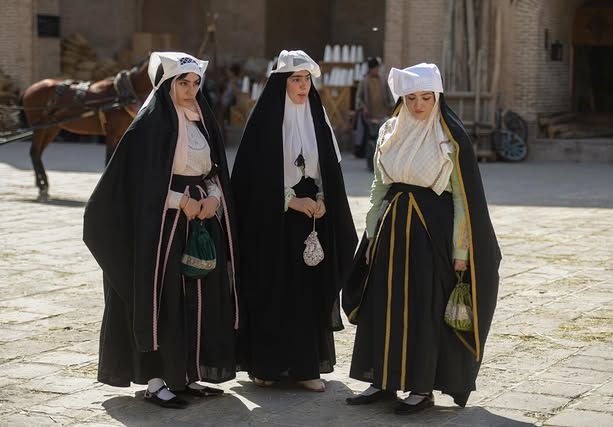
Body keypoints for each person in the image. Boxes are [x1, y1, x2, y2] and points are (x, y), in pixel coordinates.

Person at [83, 52, 239, 409]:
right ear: (168, 84)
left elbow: (212, 170)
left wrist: (214, 198)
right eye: (183, 83)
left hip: (200, 219)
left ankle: (186, 375)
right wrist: (179, 201)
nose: (190, 90)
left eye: (195, 83)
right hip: (162, 230)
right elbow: (137, 185)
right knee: (163, 301)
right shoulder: (147, 127)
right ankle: (156, 381)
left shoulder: (201, 122)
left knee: (196, 300)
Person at [342, 63, 500, 415]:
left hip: (431, 234)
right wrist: (371, 235)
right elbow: (379, 186)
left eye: (426, 98)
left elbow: (462, 199)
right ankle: (381, 379)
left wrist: (461, 250)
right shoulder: (390, 131)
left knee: (422, 308)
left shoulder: (449, 138)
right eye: (411, 98)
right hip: (390, 228)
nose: (418, 105)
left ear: (437, 97)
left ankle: (420, 388)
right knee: (382, 303)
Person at [232, 50, 357, 392]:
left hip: (310, 222)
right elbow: (253, 179)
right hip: (271, 222)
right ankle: (266, 367)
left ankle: (306, 367)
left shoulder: (317, 119)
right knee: (272, 290)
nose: (303, 86)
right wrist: (290, 200)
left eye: (307, 80)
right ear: (282, 83)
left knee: (306, 294)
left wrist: (323, 199)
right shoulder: (265, 123)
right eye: (296, 80)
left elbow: (328, 170)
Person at [353, 57, 394, 158]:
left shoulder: (383, 81)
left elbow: (389, 96)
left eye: (377, 68)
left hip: (383, 113)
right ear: (370, 69)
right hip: (369, 114)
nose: (376, 70)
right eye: (374, 69)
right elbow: (358, 98)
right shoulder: (364, 82)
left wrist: (391, 107)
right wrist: (363, 107)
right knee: (368, 134)